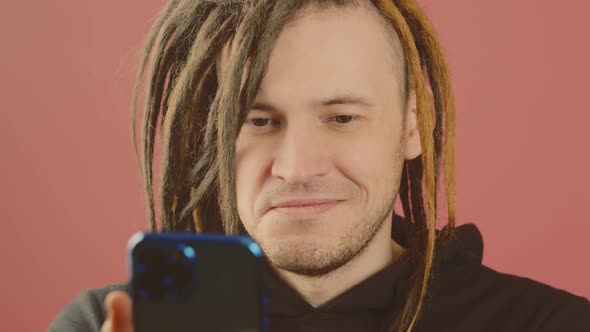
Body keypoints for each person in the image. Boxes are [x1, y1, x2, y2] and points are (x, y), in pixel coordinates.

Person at [49, 0, 590, 331]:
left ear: (409, 127)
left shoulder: (549, 325)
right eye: (258, 121)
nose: (296, 166)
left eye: (342, 117)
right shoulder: (103, 324)